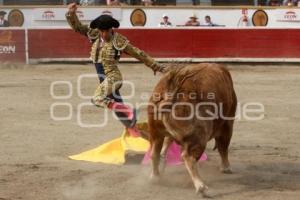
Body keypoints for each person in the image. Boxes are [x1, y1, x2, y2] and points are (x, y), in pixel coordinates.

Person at [66, 3, 165, 135]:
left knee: (98, 99)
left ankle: (129, 113)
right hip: (102, 77)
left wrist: (155, 66)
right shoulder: (95, 34)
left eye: (106, 30)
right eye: (102, 31)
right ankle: (133, 129)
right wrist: (72, 14)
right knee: (116, 104)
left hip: (113, 77)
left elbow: (138, 53)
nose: (104, 33)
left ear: (111, 28)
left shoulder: (119, 41)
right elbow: (78, 27)